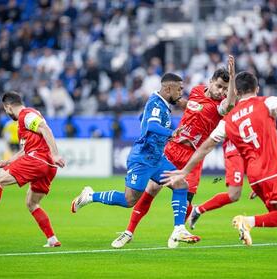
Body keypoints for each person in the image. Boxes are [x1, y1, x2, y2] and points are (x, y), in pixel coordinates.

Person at [162, 71, 277, 273]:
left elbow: (205, 147)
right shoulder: (265, 102)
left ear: (237, 91)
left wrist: (185, 170)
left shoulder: (228, 119)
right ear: (256, 88)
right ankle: (247, 221)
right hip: (274, 170)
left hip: (255, 176)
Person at [110, 56, 237, 248]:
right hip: (172, 148)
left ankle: (176, 232)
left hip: (194, 157)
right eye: (219, 86)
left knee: (185, 197)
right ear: (210, 82)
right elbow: (186, 104)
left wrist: (233, 77)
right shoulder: (195, 91)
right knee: (151, 190)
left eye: (226, 89)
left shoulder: (220, 107)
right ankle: (129, 232)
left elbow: (228, 105)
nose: (221, 92)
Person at [71, 73, 201, 248]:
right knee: (129, 200)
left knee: (181, 184)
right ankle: (90, 196)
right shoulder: (156, 104)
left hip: (156, 159)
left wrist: (163, 136)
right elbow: (151, 125)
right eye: (179, 89)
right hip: (142, 159)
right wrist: (171, 133)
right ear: (168, 88)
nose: (181, 93)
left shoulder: (161, 105)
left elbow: (143, 120)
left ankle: (179, 228)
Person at [0, 91, 65, 248]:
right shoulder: (29, 117)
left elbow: (45, 129)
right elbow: (26, 149)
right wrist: (8, 161)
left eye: (5, 109)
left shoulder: (26, 115)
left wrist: (56, 154)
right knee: (31, 203)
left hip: (37, 160)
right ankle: (52, 239)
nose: (6, 112)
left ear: (8, 106)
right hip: (48, 167)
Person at [188, 138, 245, 230]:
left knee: (263, 185)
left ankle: (272, 221)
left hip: (253, 150)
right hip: (236, 151)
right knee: (234, 195)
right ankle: (198, 210)